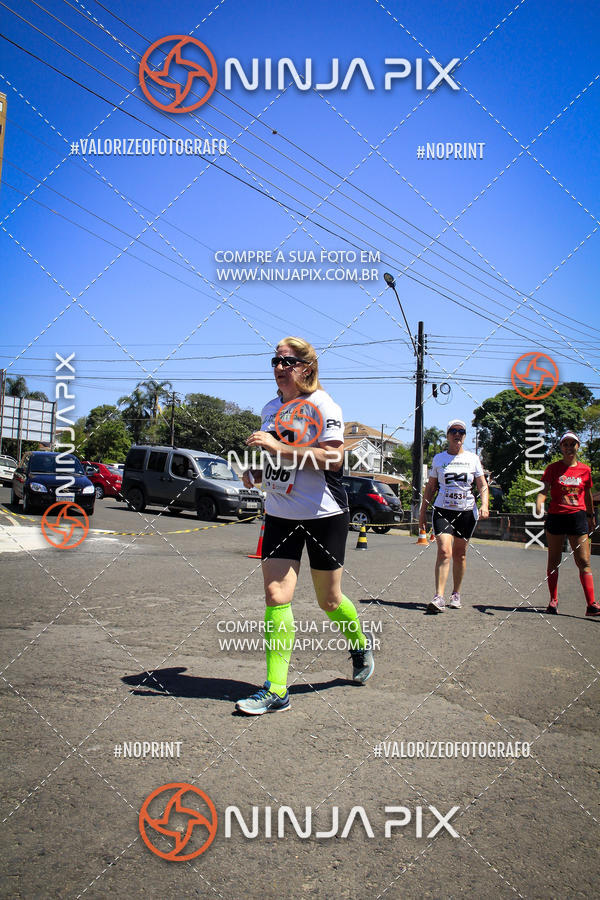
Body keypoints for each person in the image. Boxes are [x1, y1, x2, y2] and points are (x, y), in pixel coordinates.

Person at [235, 336, 374, 715]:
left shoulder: (323, 405)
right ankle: (276, 689)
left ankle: (359, 645)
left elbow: (332, 459)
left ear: (307, 368)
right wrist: (260, 472)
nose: (280, 368)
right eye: (275, 361)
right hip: (280, 512)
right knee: (276, 594)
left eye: (288, 362)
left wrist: (279, 449)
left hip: (324, 513)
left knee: (329, 600)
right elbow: (281, 461)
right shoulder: (270, 409)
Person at [418, 419, 489, 613]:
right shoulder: (439, 459)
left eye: (461, 431)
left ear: (464, 436)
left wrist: (485, 504)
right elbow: (431, 486)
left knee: (460, 554)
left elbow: (482, 485)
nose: (457, 434)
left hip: (466, 512)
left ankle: (456, 594)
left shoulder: (473, 459)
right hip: (443, 510)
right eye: (453, 431)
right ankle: (439, 596)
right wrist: (422, 512)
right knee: (444, 551)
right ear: (448, 435)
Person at [536, 431, 600, 617]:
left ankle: (591, 605)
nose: (569, 447)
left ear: (578, 446)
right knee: (554, 560)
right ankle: (553, 600)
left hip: (577, 518)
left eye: (572, 444)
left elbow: (587, 494)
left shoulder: (585, 470)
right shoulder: (553, 468)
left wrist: (590, 515)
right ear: (561, 447)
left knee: (584, 560)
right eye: (565, 444)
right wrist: (539, 504)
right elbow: (543, 491)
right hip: (556, 517)